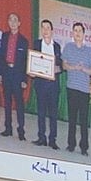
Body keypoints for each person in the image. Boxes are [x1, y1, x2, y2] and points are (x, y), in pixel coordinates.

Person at [63, 22, 91, 154]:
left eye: (80, 31)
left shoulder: (88, 50)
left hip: (84, 90)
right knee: (72, 119)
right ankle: (71, 145)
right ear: (72, 33)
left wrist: (84, 69)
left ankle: (84, 147)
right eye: (75, 30)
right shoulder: (68, 47)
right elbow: (64, 65)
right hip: (72, 88)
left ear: (83, 34)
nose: (77, 33)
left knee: (83, 120)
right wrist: (74, 67)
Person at [31, 19, 63, 148]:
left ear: (52, 30)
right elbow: (32, 61)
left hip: (53, 85)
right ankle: (41, 137)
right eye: (43, 27)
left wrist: (58, 69)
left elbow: (60, 65)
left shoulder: (57, 47)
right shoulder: (37, 44)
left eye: (47, 28)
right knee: (41, 112)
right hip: (40, 83)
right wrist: (32, 71)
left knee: (53, 114)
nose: (45, 30)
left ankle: (52, 140)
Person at [0, 12, 29, 140]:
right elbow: (0, 56)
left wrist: (24, 79)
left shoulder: (24, 41)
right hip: (6, 72)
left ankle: (21, 131)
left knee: (19, 104)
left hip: (17, 75)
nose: (13, 22)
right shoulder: (4, 36)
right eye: (10, 19)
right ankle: (8, 128)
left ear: (19, 23)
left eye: (15, 20)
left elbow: (25, 61)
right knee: (7, 102)